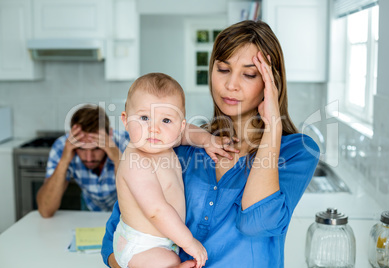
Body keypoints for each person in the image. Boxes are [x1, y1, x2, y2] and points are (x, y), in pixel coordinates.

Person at [102, 20, 320, 268]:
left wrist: (273, 128)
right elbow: (115, 237)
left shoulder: (297, 151)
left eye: (249, 74)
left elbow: (258, 223)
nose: (231, 85)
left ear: (271, 82)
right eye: (223, 69)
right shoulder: (174, 142)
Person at [114, 73, 237, 268]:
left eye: (166, 121)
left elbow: (187, 132)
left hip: (159, 240)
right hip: (142, 245)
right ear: (126, 120)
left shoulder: (164, 142)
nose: (154, 128)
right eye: (144, 117)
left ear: (179, 126)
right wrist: (189, 242)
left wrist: (207, 140)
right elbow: (156, 210)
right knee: (168, 261)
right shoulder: (136, 161)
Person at [36, 105, 129, 218]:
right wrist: (64, 161)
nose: (89, 158)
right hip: (90, 208)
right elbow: (45, 210)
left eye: (96, 148)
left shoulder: (127, 143)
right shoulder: (63, 147)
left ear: (109, 134)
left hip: (127, 210)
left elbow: (138, 198)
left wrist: (116, 156)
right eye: (81, 149)